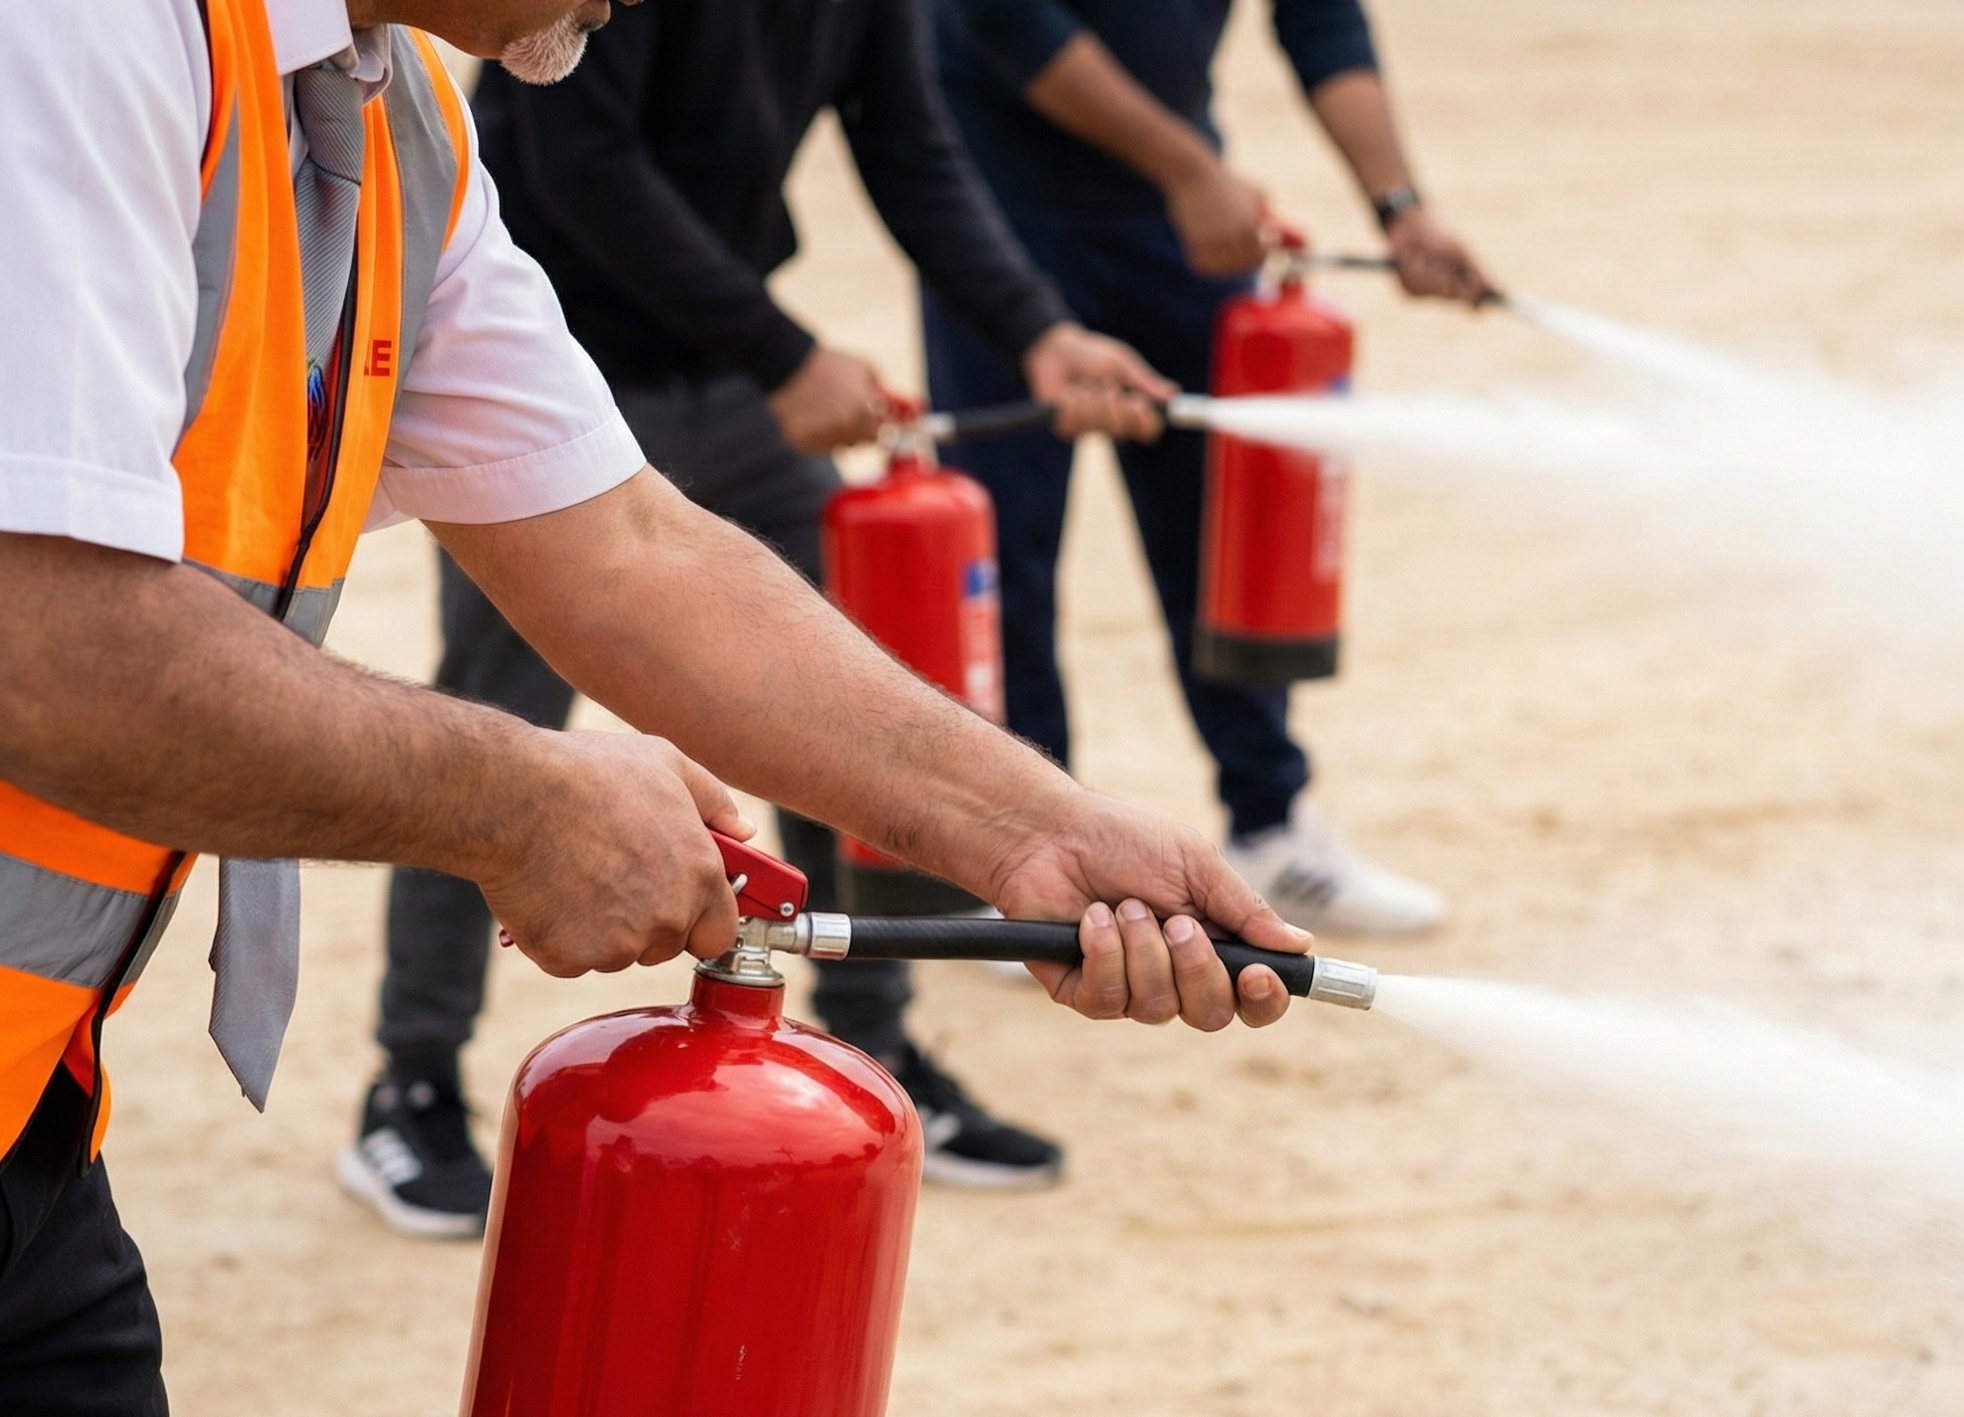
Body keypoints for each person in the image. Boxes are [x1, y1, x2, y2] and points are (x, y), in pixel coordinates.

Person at [0, 0, 1308, 1408]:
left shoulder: (394, 129)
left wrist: (1033, 833)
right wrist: (522, 800)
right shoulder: (77, 32)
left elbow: (626, 550)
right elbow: (45, 641)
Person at [344, 0, 1177, 1241]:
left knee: (836, 687)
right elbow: (583, 162)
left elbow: (912, 149)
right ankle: (410, 1083)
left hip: (732, 378)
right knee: (499, 718)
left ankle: (881, 1041)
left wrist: (1037, 331)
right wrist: (787, 352)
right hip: (553, 368)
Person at [922, 0, 1499, 936]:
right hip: (999, 225)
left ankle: (1271, 821)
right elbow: (1003, 19)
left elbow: (1322, 23)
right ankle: (1019, 868)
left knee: (1228, 528)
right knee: (1005, 551)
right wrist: (1191, 169)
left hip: (1178, 228)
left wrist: (1401, 209)